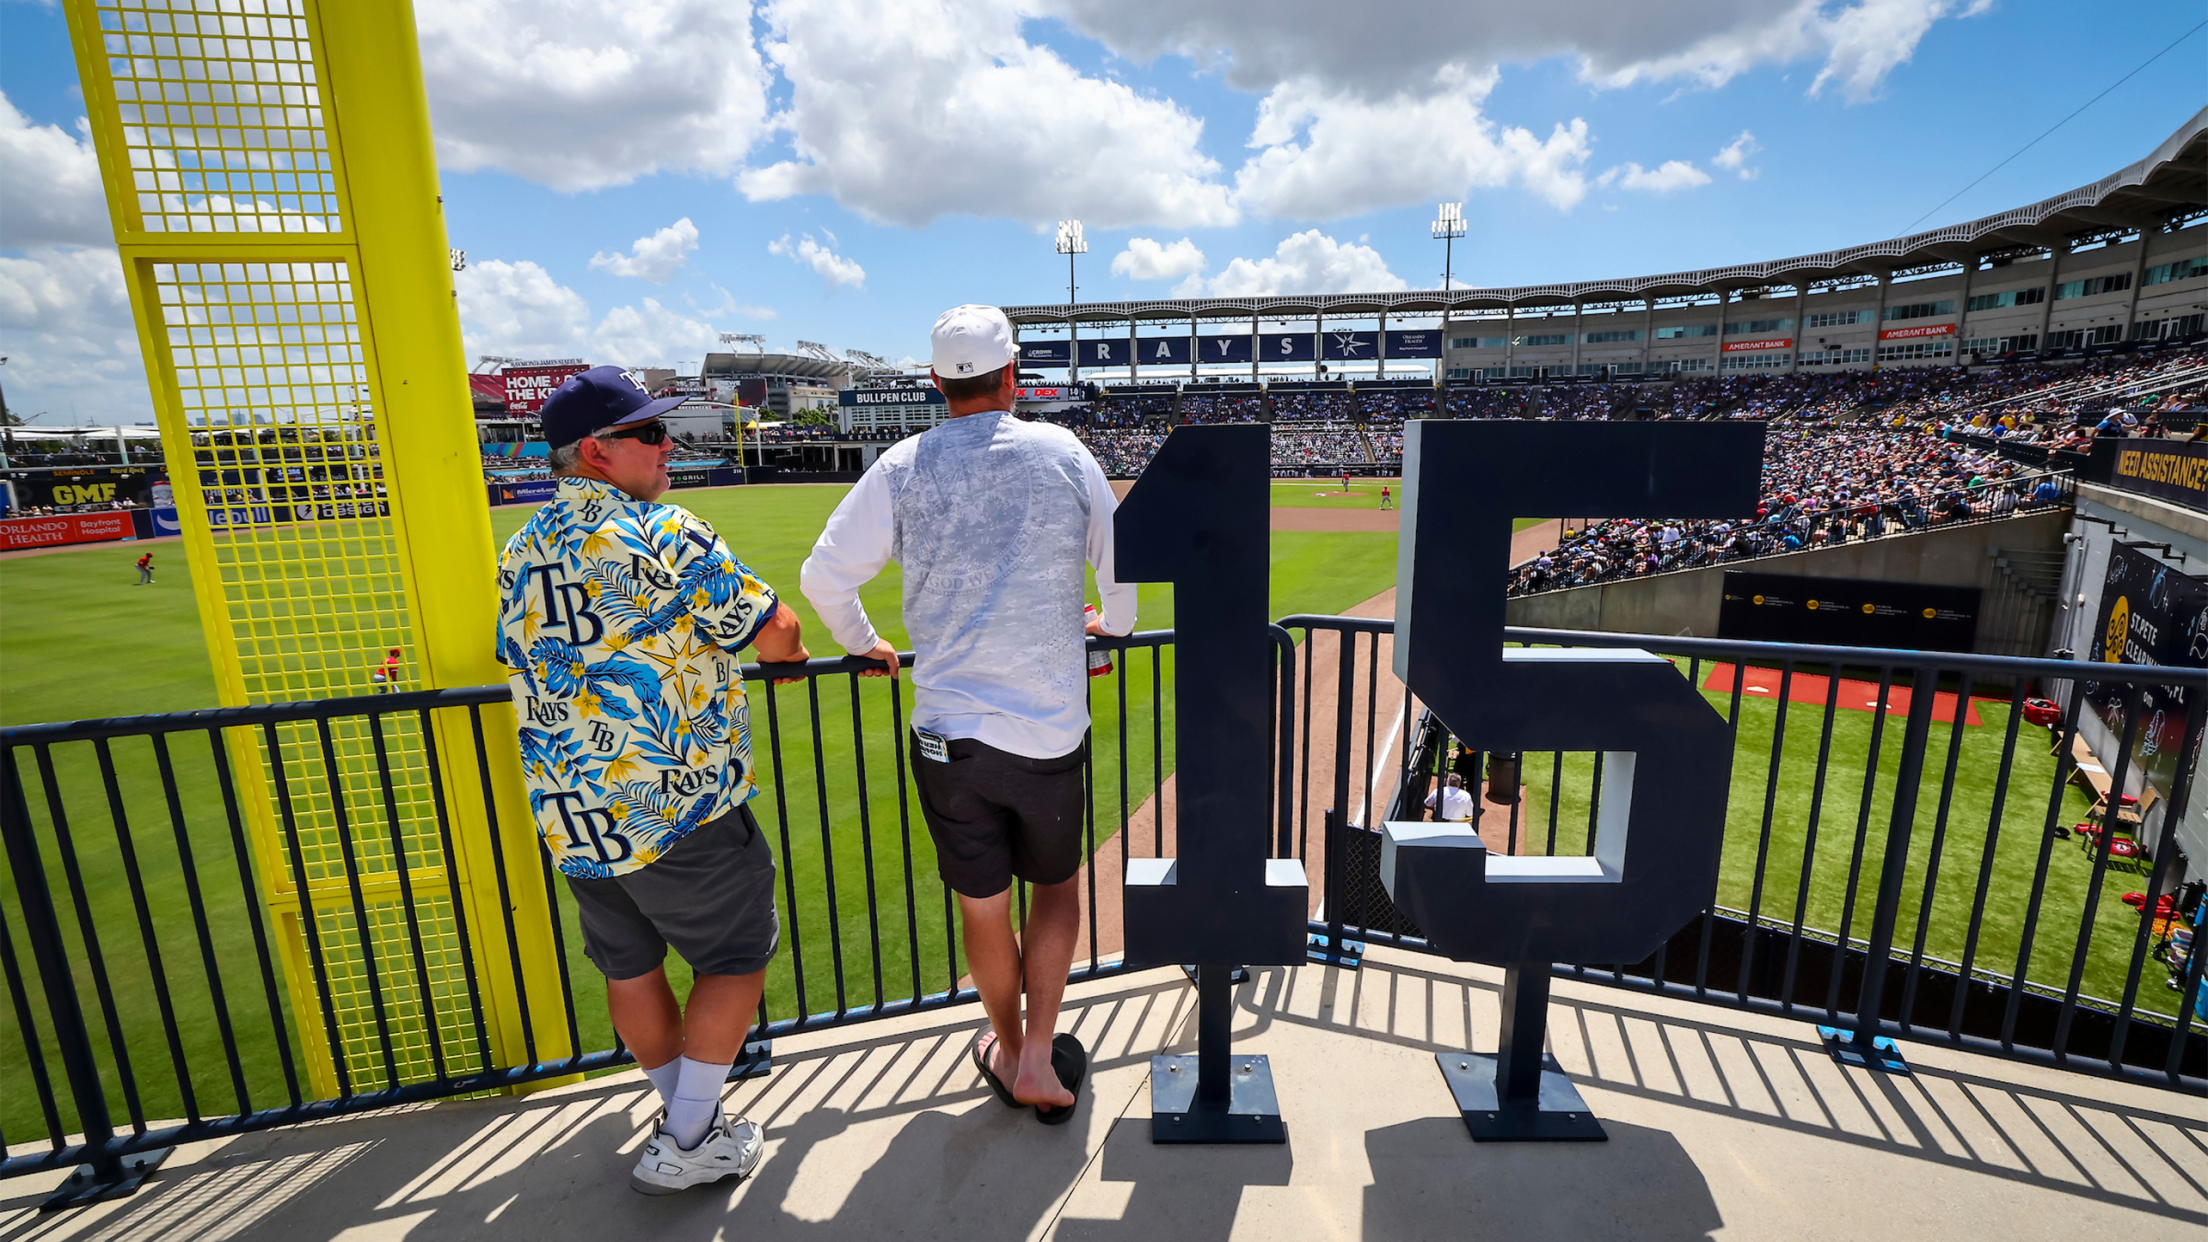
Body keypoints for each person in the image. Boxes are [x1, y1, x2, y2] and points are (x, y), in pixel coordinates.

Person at [800, 304, 1135, 1125]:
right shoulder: (1064, 452)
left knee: (982, 907)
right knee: (1056, 893)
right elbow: (1122, 578)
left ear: (933, 383)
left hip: (948, 734)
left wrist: (866, 641)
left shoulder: (901, 465)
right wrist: (1112, 627)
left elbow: (823, 578)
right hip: (1049, 730)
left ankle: (1004, 1044)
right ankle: (1035, 1059)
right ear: (1013, 378)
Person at [494, 365, 808, 1195]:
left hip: (573, 811)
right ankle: (691, 1135)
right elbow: (774, 630)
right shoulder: (666, 532)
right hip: (678, 804)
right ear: (595, 452)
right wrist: (792, 653)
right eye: (649, 434)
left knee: (629, 970)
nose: (669, 445)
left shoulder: (518, 551)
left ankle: (684, 1122)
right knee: (737, 958)